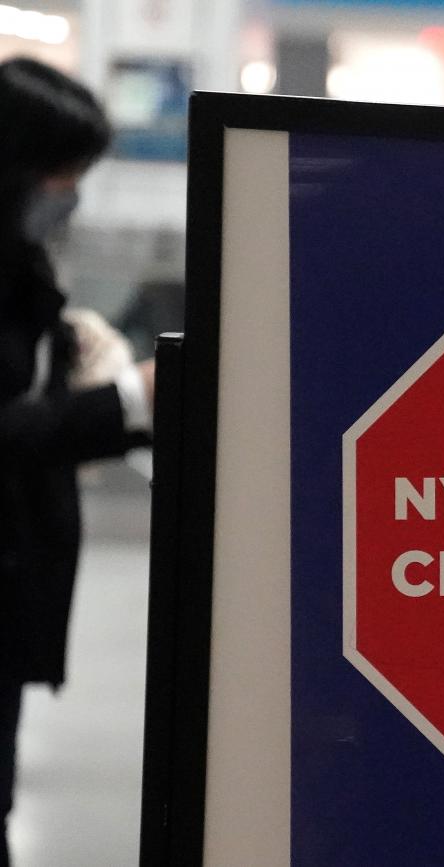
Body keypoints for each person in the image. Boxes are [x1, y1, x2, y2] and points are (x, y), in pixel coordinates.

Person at [0, 57, 154, 866]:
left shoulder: (23, 271)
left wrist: (67, 356)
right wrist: (128, 401)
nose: (70, 191)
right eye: (62, 171)